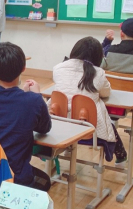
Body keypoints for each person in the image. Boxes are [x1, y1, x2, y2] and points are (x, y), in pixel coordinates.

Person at [0, 42, 52, 191]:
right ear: (23, 68)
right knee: (45, 182)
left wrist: (27, 96)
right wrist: (36, 95)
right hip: (17, 176)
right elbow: (44, 128)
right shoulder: (32, 101)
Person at [52, 37, 127, 165]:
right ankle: (121, 157)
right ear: (98, 56)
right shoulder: (98, 73)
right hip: (89, 128)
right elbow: (106, 93)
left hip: (59, 123)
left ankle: (61, 152)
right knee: (109, 125)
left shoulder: (58, 68)